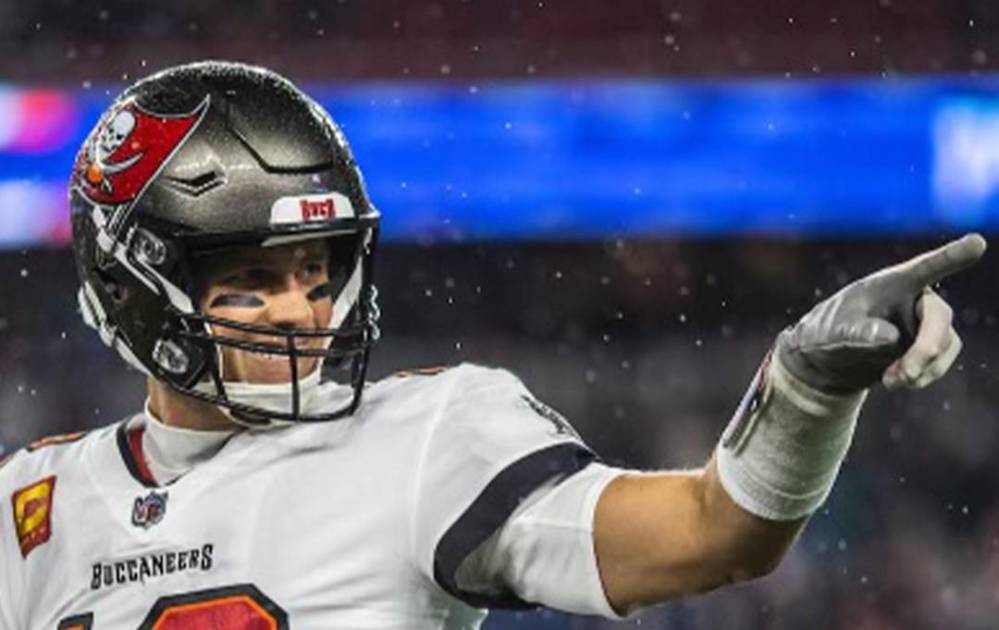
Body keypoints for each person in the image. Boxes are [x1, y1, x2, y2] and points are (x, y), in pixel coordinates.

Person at [0, 61, 985, 629]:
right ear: (132, 289)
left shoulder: (425, 437)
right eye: (253, 278)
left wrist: (808, 384)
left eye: (317, 271)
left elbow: (712, 532)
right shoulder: (28, 508)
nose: (303, 310)